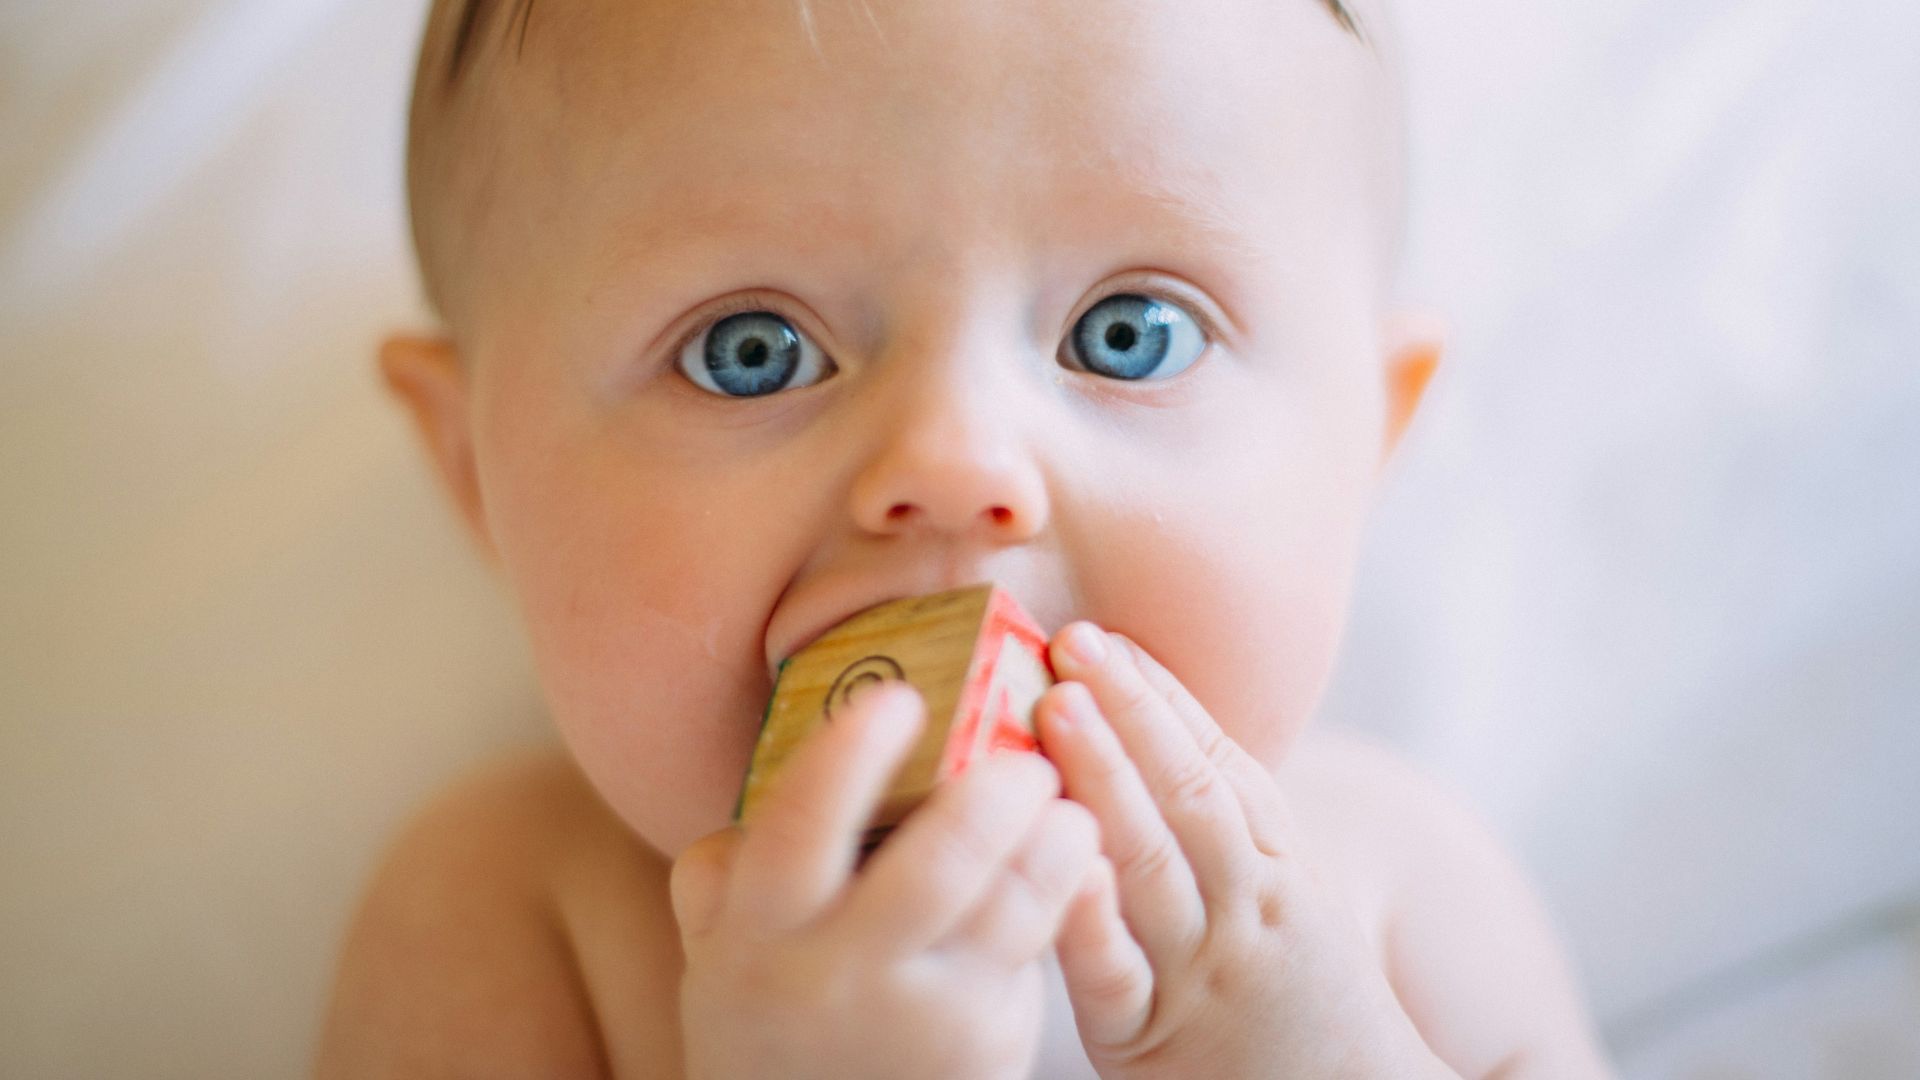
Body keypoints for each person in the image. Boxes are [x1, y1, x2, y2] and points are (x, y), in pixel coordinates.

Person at [316, 0, 1615, 1075]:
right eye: (749, 352)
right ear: (477, 470)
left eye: (1130, 333)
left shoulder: (1393, 886)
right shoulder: (510, 916)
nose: (955, 464)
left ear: (1365, 449)